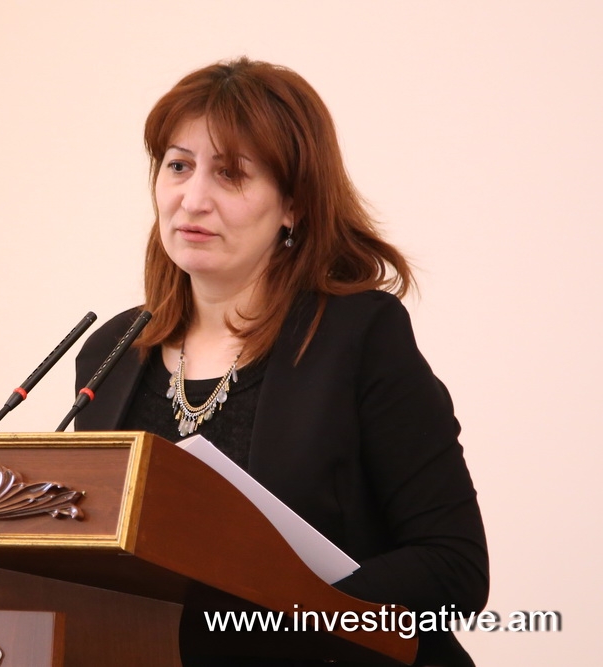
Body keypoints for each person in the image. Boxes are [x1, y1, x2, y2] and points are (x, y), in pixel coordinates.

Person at [74, 57, 488, 666]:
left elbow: (455, 569)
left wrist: (279, 612)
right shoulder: (111, 351)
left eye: (231, 174)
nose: (193, 198)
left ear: (293, 205)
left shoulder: (359, 336)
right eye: (178, 166)